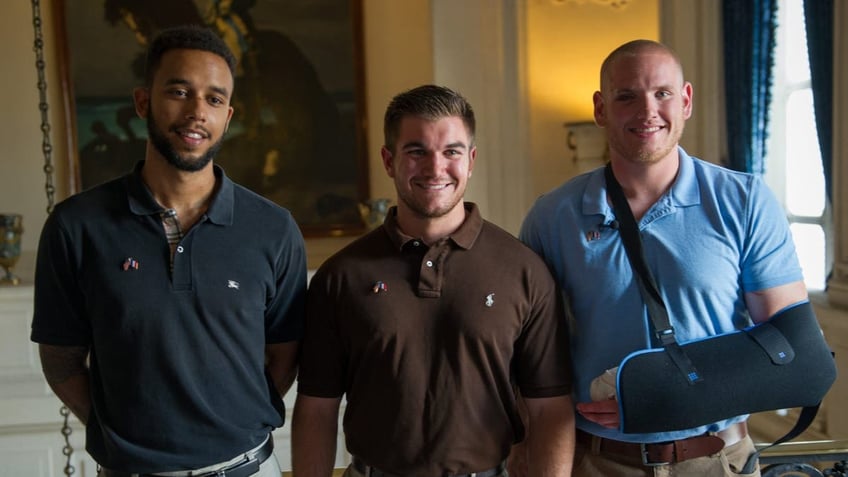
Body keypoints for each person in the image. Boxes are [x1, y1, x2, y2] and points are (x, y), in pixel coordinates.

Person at [519, 39, 810, 476]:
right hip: (600, 462)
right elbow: (534, 360)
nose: (647, 110)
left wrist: (661, 396)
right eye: (626, 96)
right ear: (600, 108)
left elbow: (792, 351)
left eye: (662, 93)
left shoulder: (744, 200)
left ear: (686, 100)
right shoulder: (552, 216)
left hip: (716, 461)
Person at [31, 25, 306, 476]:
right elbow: (60, 362)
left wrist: (228, 425)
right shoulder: (76, 226)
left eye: (214, 99)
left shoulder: (273, 228)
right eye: (179, 91)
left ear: (228, 116)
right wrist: (125, 433)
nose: (197, 111)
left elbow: (284, 356)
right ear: (144, 102)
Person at [292, 84, 575, 477]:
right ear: (389, 160)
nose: (434, 167)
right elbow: (317, 407)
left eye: (451, 152)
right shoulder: (341, 276)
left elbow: (550, 409)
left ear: (471, 159)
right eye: (416, 151)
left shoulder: (524, 271)